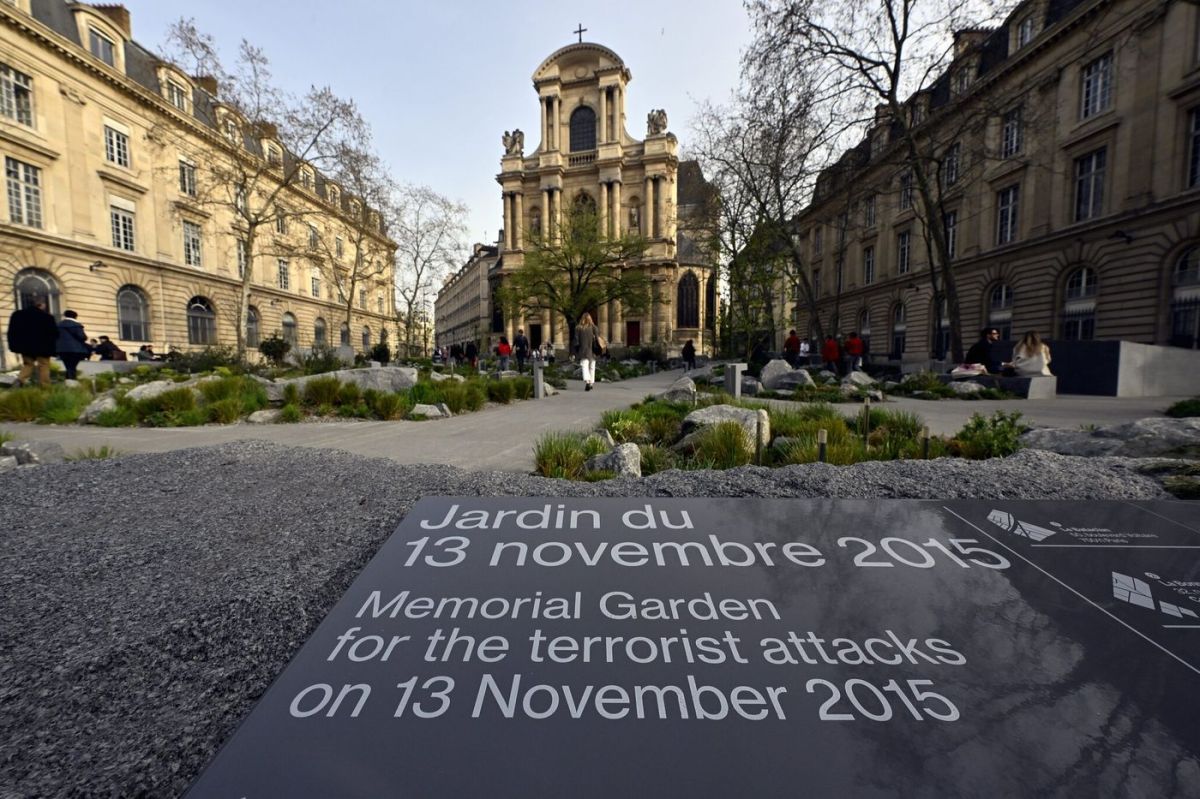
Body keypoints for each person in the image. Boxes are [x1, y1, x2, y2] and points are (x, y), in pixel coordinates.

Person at [7, 299, 58, 387]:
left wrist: (15, 344)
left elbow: (12, 331)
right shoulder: (47, 317)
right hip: (43, 347)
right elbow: (54, 333)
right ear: (41, 305)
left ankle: (20, 380)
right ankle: (45, 386)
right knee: (44, 365)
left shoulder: (18, 315)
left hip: (25, 346)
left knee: (28, 364)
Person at [56, 310, 91, 379]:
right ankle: (72, 380)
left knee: (68, 366)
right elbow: (82, 337)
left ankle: (69, 380)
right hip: (75, 349)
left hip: (61, 349)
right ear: (75, 316)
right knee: (72, 366)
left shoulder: (58, 325)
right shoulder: (76, 325)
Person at [572, 312, 600, 391]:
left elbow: (576, 341)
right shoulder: (594, 327)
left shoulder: (578, 328)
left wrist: (575, 352)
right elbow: (598, 340)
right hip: (593, 351)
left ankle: (587, 381)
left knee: (584, 366)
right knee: (592, 367)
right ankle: (591, 383)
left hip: (583, 350)